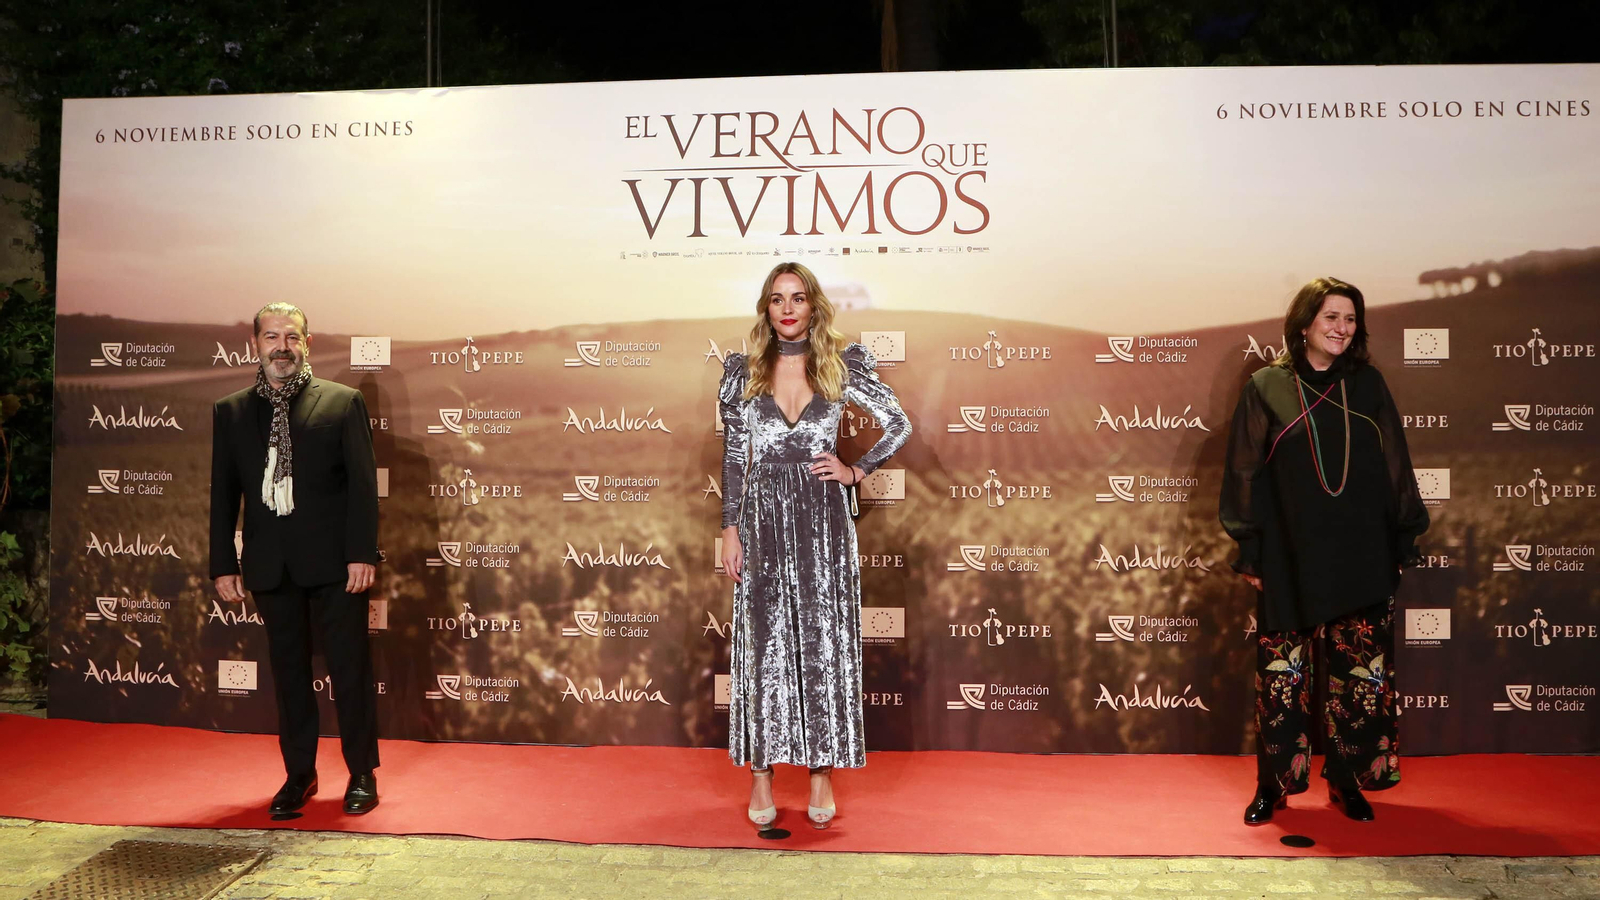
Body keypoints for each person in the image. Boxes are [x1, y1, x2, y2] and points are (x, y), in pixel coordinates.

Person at [1221, 277, 1429, 825]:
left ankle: (1345, 781)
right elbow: (1243, 471)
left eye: (1351, 319)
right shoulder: (1266, 386)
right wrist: (1249, 547)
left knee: (1358, 678)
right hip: (1288, 552)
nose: (1341, 328)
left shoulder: (1369, 385)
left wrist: (1405, 533)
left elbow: (1396, 466)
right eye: (1331, 317)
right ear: (1306, 323)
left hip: (1361, 552)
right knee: (1281, 677)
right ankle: (1274, 786)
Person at [718, 262, 912, 831]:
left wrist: (856, 471)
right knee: (762, 647)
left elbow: (897, 423)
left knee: (823, 643)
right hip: (763, 520)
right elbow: (734, 459)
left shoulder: (841, 366)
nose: (786, 308)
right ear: (766, 307)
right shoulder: (743, 371)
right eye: (777, 299)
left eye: (797, 298)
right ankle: (761, 776)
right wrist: (730, 528)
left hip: (824, 522)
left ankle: (821, 776)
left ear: (812, 306)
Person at [209, 302, 382, 816]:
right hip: (270, 568)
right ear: (255, 345)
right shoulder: (231, 411)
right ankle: (299, 775)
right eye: (271, 337)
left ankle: (361, 773)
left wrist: (361, 554)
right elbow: (224, 495)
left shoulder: (342, 403)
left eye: (292, 337)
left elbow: (363, 488)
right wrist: (223, 563)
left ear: (307, 345)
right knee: (288, 676)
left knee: (350, 670)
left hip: (336, 567)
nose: (281, 347)